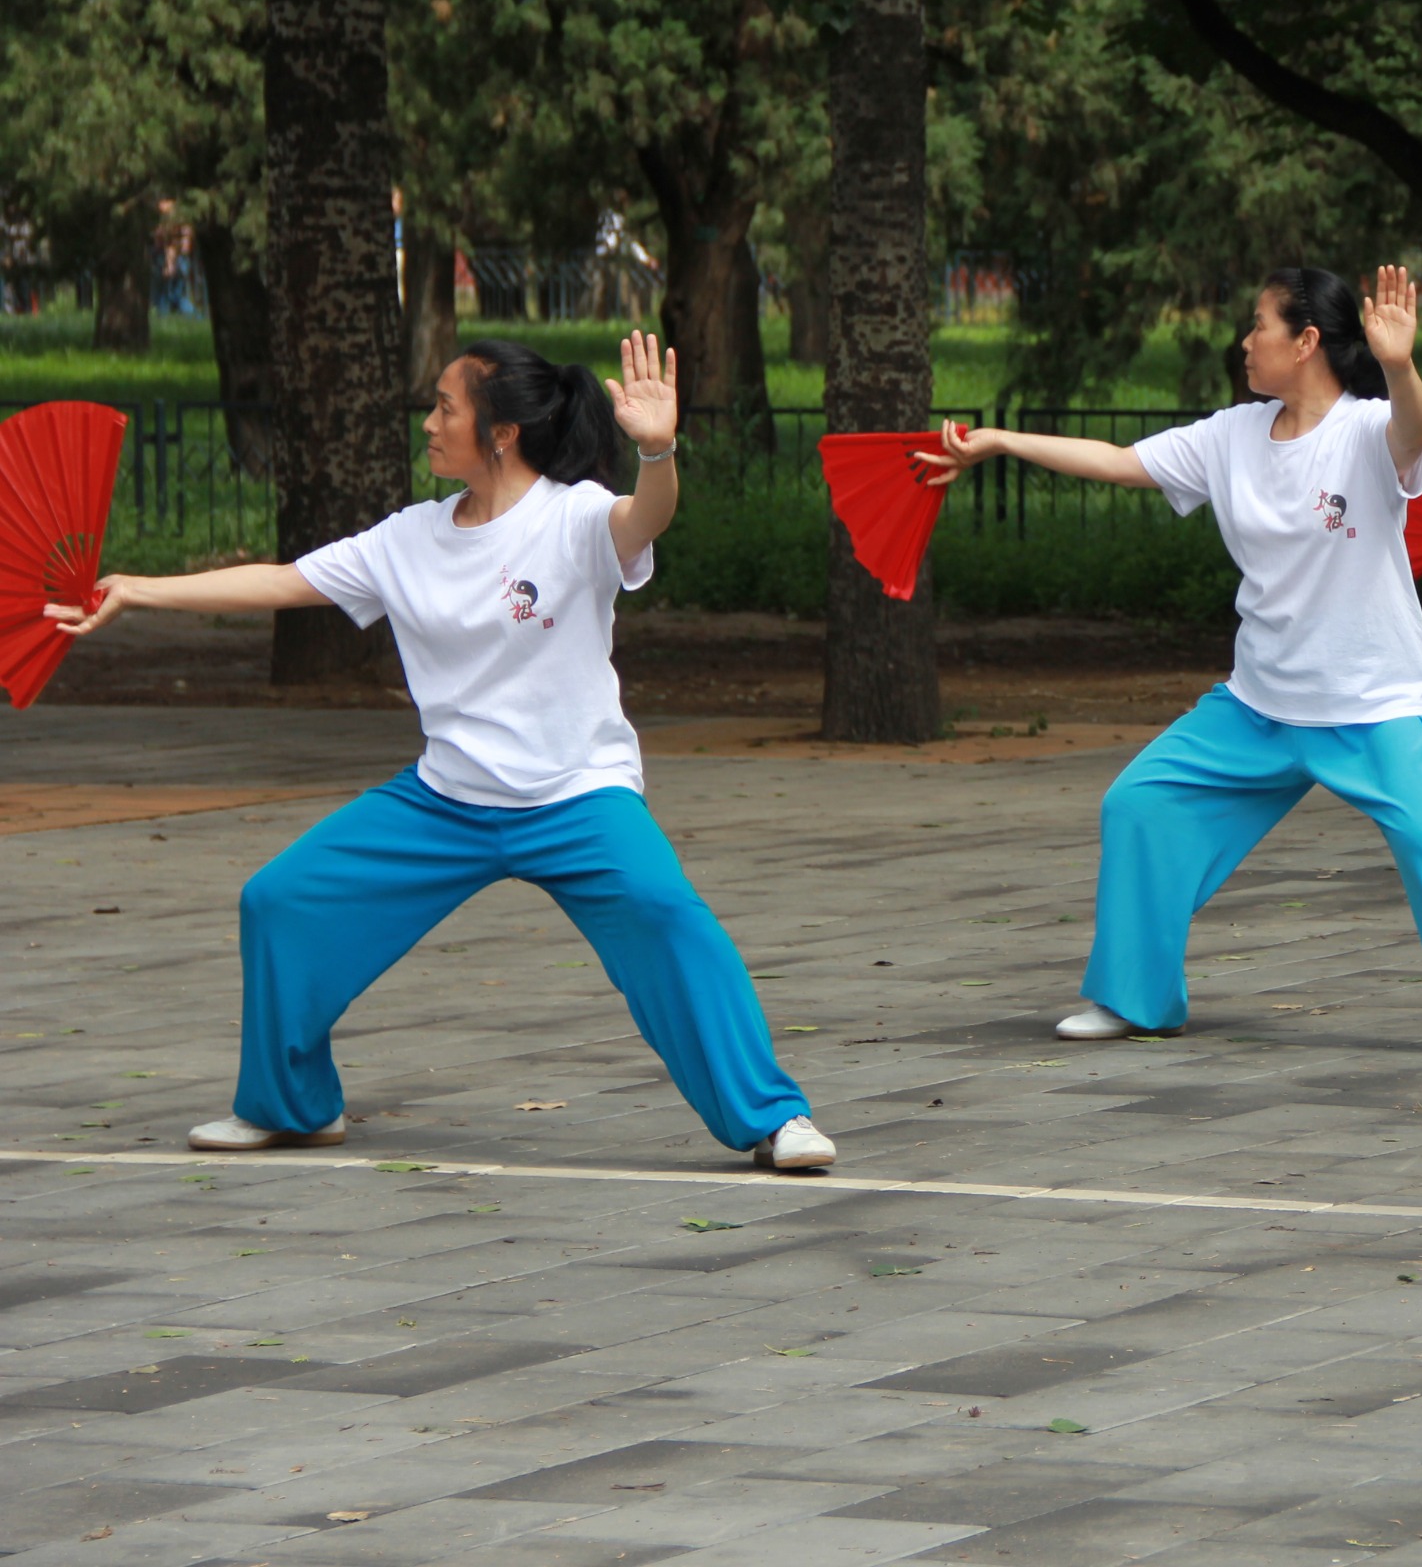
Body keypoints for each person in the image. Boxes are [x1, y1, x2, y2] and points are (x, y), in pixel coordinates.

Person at [48, 336, 836, 1170]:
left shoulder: (571, 517)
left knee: (672, 920)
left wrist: (657, 448)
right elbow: (283, 582)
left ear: (500, 432)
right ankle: (293, 1106)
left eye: (444, 407)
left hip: (578, 796)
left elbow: (648, 516)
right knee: (280, 901)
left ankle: (772, 1118)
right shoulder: (407, 539)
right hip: (446, 801)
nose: (427, 423)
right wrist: (136, 591)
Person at [924, 266, 1422, 1056]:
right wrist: (998, 442)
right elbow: (1116, 459)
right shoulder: (1228, 436)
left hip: (1371, 705)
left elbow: (1413, 431)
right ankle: (1137, 999)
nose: (1244, 340)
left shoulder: (1368, 432)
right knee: (1139, 804)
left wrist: (1401, 364)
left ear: (1304, 342)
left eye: (1257, 324)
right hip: (1258, 705)